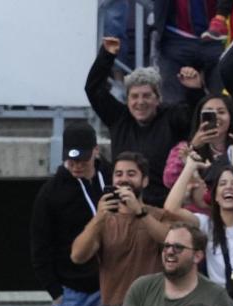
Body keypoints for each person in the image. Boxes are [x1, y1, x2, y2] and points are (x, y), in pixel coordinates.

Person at [30, 122, 110, 306]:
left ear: (96, 152)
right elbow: (40, 245)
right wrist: (56, 292)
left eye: (83, 160)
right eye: (71, 159)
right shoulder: (51, 192)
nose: (76, 166)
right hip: (72, 293)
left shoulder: (110, 176)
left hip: (110, 286)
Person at [85, 35, 203, 205]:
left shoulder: (172, 117)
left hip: (165, 207)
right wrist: (107, 55)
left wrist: (194, 90)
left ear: (158, 98)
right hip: (124, 204)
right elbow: (93, 89)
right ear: (127, 100)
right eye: (134, 96)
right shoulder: (119, 118)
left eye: (147, 96)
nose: (140, 102)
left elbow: (195, 116)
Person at [70, 152, 180, 305]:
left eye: (131, 174)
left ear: (145, 181)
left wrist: (140, 212)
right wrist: (99, 218)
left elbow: (170, 242)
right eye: (119, 174)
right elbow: (77, 256)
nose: (124, 179)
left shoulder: (160, 215)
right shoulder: (104, 221)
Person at [165, 158, 233, 286]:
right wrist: (189, 168)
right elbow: (171, 209)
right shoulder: (207, 224)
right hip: (221, 301)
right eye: (222, 184)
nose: (229, 187)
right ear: (216, 196)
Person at [162, 95, 233, 190]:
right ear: (199, 118)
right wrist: (192, 147)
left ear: (231, 117)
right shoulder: (184, 147)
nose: (216, 117)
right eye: (209, 113)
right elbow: (169, 181)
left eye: (221, 112)